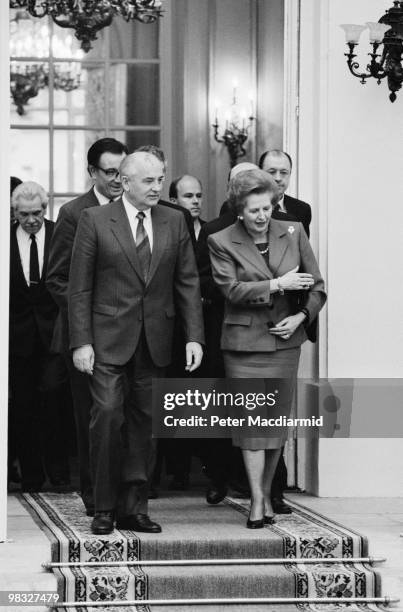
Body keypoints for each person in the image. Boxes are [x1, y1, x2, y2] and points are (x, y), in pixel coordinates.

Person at [68, 150, 204, 535]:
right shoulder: (94, 220)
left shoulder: (174, 220)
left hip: (155, 340)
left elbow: (188, 282)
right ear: (125, 183)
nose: (157, 187)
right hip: (106, 342)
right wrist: (81, 342)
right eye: (149, 181)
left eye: (160, 179)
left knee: (145, 427)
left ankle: (134, 508)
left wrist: (195, 337)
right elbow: (79, 288)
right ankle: (104, 507)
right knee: (108, 417)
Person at [208, 169, 326, 528]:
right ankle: (258, 500)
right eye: (254, 210)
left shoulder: (293, 231)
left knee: (274, 424)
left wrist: (301, 317)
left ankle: (264, 492)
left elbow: (318, 287)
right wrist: (277, 284)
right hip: (244, 346)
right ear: (239, 210)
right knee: (250, 424)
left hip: (285, 342)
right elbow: (230, 290)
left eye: (267, 208)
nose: (262, 217)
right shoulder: (221, 239)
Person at [46, 137, 129, 516]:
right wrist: (91, 318)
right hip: (86, 338)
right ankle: (95, 498)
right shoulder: (74, 213)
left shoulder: (134, 209)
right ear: (92, 172)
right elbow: (56, 277)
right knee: (91, 419)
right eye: (109, 171)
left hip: (128, 334)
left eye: (121, 171)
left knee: (125, 417)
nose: (117, 179)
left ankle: (126, 494)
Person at [9, 181, 70, 491]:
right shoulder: (5, 238)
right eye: (24, 214)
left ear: (45, 209)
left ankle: (58, 473)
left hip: (54, 332)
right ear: (14, 212)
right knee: (22, 406)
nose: (31, 220)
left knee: (53, 402)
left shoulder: (60, 232)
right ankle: (31, 475)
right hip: (17, 338)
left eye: (37, 213)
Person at [258, 149, 311, 237]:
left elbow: (302, 248)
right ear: (260, 173)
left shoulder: (303, 209)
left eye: (283, 172)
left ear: (290, 174)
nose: (278, 178)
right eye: (272, 172)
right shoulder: (248, 206)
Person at [169, 174, 205, 239]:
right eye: (189, 196)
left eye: (199, 196)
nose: (196, 201)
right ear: (173, 202)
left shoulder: (211, 231)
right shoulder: (166, 232)